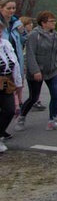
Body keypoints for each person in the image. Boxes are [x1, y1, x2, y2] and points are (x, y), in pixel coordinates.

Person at [14, 11, 57, 132]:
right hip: (37, 71)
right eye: (51, 21)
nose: (54, 23)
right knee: (34, 97)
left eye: (54, 20)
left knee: (55, 94)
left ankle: (52, 121)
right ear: (43, 23)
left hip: (52, 70)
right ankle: (21, 118)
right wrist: (35, 71)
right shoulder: (34, 35)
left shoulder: (56, 36)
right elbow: (30, 54)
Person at [0, 18, 23, 152]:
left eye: (0, 31)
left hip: (7, 82)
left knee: (9, 110)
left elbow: (15, 63)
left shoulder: (6, 44)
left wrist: (18, 82)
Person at [0, 0, 25, 119]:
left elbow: (22, 43)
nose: (11, 11)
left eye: (13, 8)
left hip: (14, 62)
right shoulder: (1, 26)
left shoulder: (16, 24)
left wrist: (23, 32)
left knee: (15, 89)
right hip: (2, 66)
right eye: (8, 8)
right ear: (1, 8)